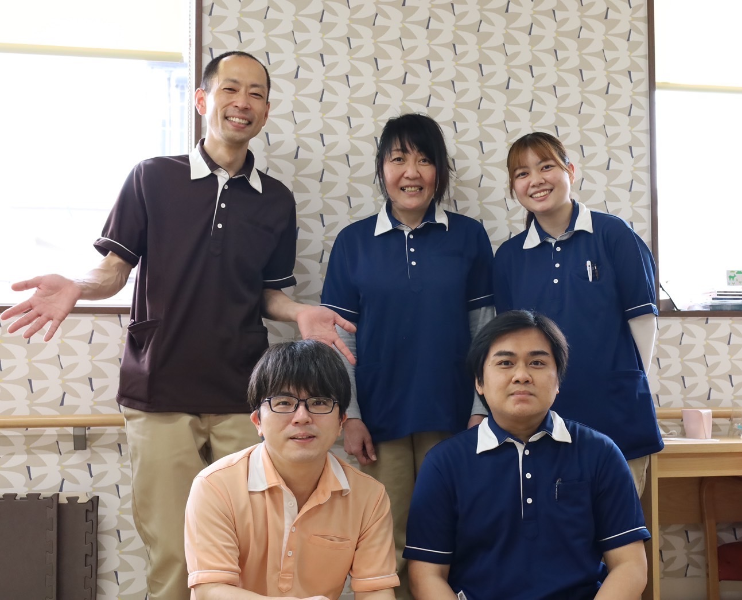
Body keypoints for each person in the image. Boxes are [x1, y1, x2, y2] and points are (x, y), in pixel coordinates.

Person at [0, 51, 355, 600]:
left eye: (256, 93)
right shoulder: (152, 177)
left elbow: (268, 294)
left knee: (250, 547)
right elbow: (114, 270)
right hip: (159, 391)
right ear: (202, 100)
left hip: (244, 397)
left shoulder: (277, 200)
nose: (243, 102)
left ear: (266, 110)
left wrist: (299, 312)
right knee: (173, 552)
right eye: (230, 89)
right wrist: (77, 286)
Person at [320, 113, 494, 598]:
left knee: (453, 538)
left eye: (424, 160)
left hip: (455, 418)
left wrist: (482, 409)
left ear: (440, 170)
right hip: (379, 422)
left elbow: (485, 332)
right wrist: (350, 416)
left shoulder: (469, 236)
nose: (411, 172)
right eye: (398, 159)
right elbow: (340, 341)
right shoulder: (353, 242)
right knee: (386, 546)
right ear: (382, 168)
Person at [404, 310, 650, 599]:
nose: (521, 376)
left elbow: (630, 566)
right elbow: (426, 576)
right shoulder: (444, 464)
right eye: (505, 363)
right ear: (479, 381)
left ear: (558, 380)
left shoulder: (601, 453)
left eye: (537, 363)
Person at [493, 131, 662, 495]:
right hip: (542, 424)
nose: (535, 180)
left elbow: (643, 321)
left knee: (618, 526)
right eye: (522, 173)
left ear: (570, 171)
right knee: (555, 525)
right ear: (513, 187)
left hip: (617, 419)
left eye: (546, 166)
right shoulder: (508, 257)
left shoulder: (614, 234)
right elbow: (508, 345)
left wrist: (625, 387)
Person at [185, 340, 398, 600]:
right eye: (284, 402)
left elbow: (376, 590)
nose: (302, 417)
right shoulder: (215, 485)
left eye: (319, 402)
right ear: (258, 421)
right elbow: (208, 591)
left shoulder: (369, 496)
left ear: (341, 422)